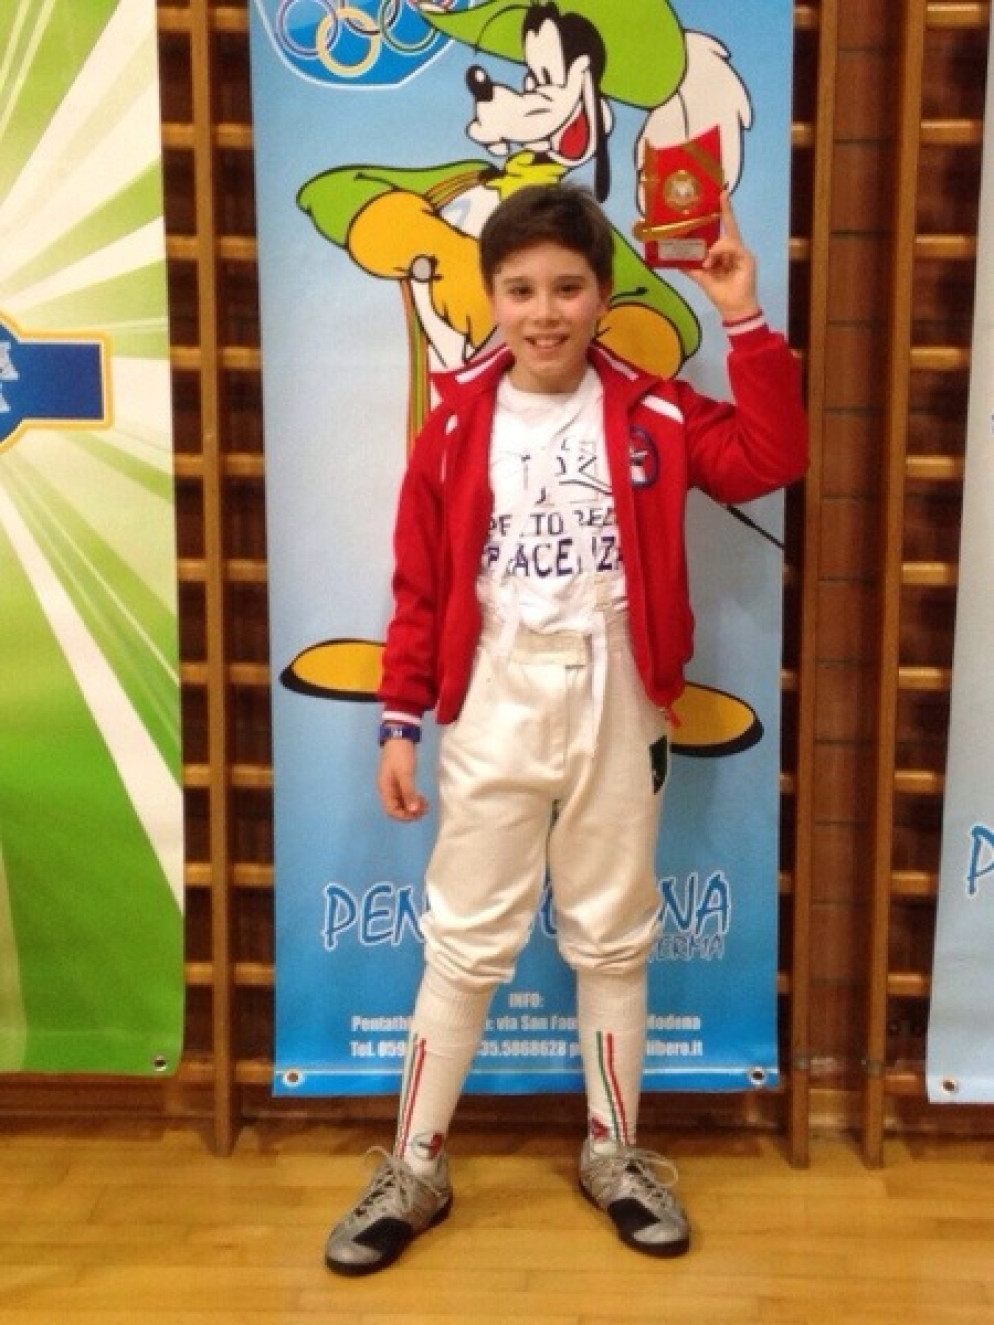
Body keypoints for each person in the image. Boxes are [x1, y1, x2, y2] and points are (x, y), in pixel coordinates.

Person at [324, 182, 808, 1276]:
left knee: (612, 929)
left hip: (617, 693)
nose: (544, 312)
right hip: (495, 694)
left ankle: (614, 1151)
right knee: (464, 937)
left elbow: (771, 458)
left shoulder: (655, 411)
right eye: (521, 289)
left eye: (566, 288)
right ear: (492, 296)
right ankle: (415, 1164)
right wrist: (399, 719)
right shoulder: (454, 424)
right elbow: (419, 584)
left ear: (601, 295)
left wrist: (741, 314)